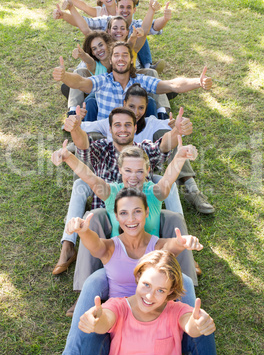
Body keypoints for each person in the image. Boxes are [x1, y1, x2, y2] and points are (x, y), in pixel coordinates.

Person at [61, 190, 217, 355]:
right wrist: (83, 232)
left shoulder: (157, 247)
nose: (131, 219)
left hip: (159, 311)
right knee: (94, 316)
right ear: (116, 216)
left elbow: (171, 245)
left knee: (191, 302)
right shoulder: (111, 248)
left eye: (137, 211)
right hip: (119, 317)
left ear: (147, 212)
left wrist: (181, 243)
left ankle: (188, 343)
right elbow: (95, 243)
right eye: (123, 213)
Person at [51, 107, 191, 278]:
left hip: (151, 262)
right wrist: (68, 156)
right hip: (117, 263)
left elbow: (168, 177)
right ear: (121, 171)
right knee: (96, 280)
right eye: (128, 171)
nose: (133, 176)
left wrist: (181, 155)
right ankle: (81, 290)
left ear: (148, 171)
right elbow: (89, 177)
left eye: (139, 171)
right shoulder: (113, 193)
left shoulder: (152, 193)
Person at [80, 83, 215, 214]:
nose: (136, 112)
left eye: (141, 108)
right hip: (111, 165)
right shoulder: (113, 122)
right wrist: (75, 124)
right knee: (88, 145)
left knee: (172, 140)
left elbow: (167, 140)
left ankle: (192, 189)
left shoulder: (150, 124)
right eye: (131, 106)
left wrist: (178, 128)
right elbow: (83, 132)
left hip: (147, 164)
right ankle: (81, 201)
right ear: (124, 104)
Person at [53, 41, 212, 121]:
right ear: (111, 60)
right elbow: (80, 82)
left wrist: (198, 82)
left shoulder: (140, 81)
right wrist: (65, 76)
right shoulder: (102, 80)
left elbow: (172, 85)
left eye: (125, 55)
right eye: (116, 55)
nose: (120, 58)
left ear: (131, 61)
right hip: (105, 136)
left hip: (135, 139)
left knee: (167, 133)